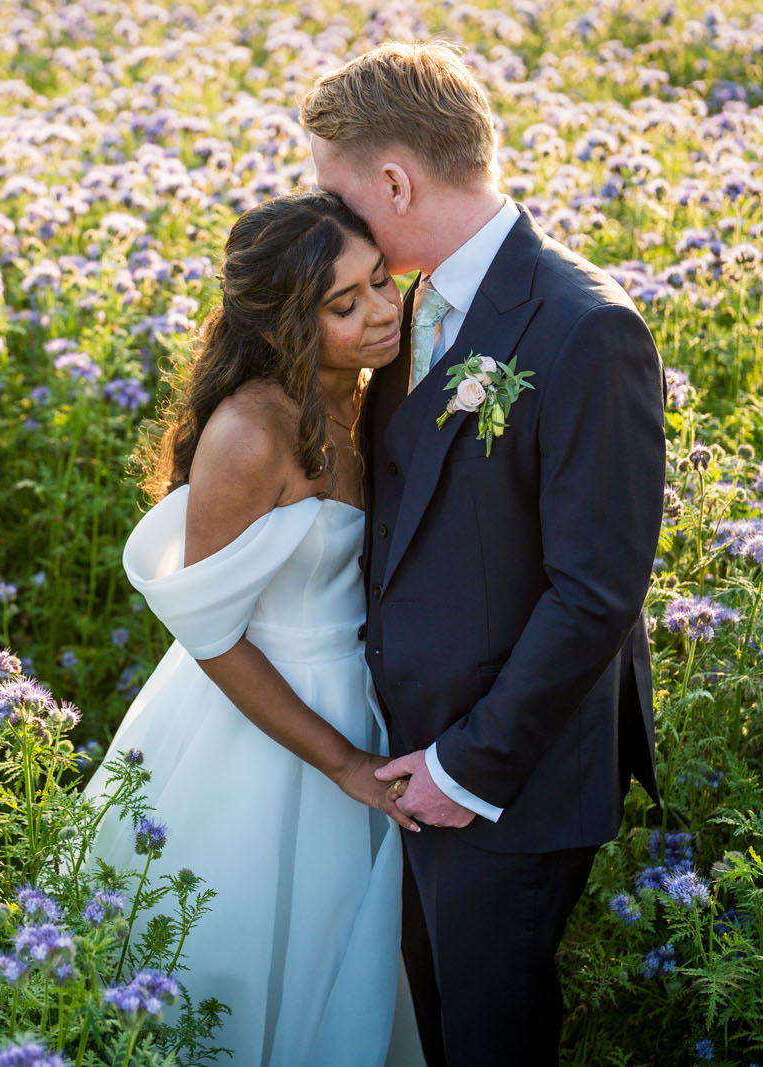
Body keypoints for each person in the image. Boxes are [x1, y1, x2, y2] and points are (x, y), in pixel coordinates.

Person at [299, 42, 665, 1067]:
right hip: (403, 757)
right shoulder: (405, 298)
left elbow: (594, 592)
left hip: (506, 774)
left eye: (332, 191)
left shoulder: (584, 328)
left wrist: (466, 765)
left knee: (487, 1040)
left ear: (393, 182)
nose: (321, 216)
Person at [80, 193, 426, 1066]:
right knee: (234, 961)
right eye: (344, 306)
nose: (382, 311)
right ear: (280, 328)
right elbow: (210, 635)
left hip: (365, 695)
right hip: (259, 719)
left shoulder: (374, 386)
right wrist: (343, 761)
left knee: (348, 954)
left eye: (381, 280)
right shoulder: (248, 433)